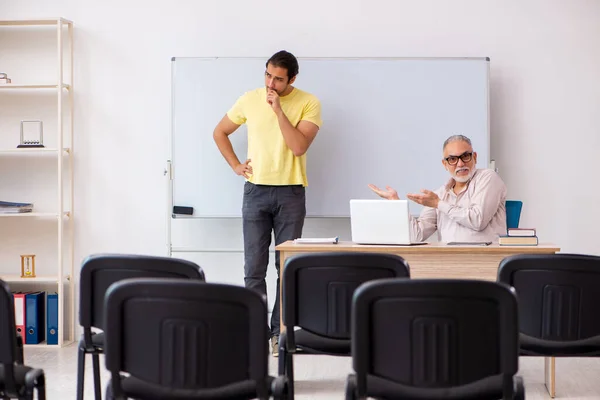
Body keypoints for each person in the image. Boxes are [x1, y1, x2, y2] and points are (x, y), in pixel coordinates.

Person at [213, 50, 322, 356]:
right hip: (255, 191)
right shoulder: (249, 99)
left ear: (292, 79)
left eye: (278, 78)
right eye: (267, 75)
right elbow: (219, 131)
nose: (271, 83)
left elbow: (299, 147)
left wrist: (278, 111)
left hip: (290, 193)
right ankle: (254, 334)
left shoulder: (308, 102)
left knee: (285, 268)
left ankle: (280, 335)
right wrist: (236, 165)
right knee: (253, 269)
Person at [369, 134, 507, 242]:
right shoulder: (439, 194)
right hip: (448, 263)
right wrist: (396, 203)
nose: (460, 164)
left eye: (465, 156)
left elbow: (477, 221)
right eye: (452, 159)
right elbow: (416, 236)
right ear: (445, 164)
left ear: (474, 157)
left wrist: (439, 204)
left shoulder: (488, 177)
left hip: (485, 261)